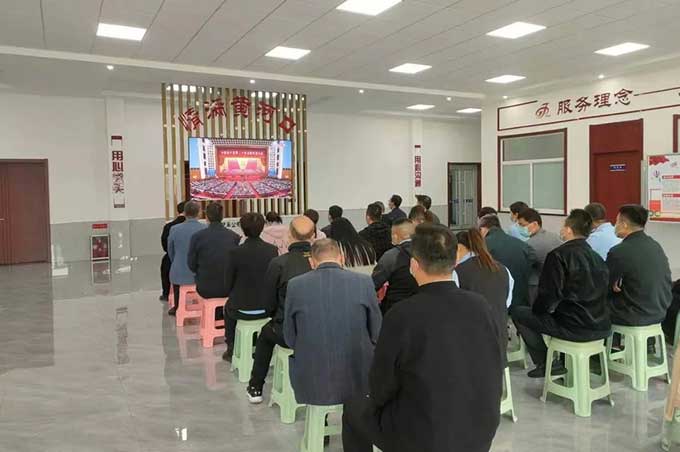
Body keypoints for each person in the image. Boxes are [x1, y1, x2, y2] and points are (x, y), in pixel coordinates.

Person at [342, 224, 503, 452]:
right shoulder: (481, 305)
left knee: (353, 408)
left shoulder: (401, 314)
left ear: (414, 265)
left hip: (422, 437)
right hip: (480, 431)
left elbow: (381, 385)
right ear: (455, 261)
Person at [511, 209, 611, 378]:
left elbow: (548, 295)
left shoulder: (558, 255)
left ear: (569, 230)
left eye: (563, 226)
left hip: (572, 326)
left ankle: (546, 363)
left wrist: (538, 312)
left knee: (519, 312)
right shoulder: (597, 258)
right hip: (601, 325)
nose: (561, 230)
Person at [284, 239, 382, 406]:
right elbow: (376, 331)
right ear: (342, 258)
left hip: (312, 378)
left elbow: (290, 337)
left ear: (311, 262)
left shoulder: (295, 285)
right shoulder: (364, 282)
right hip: (358, 375)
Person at [246, 216, 315, 403]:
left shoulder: (279, 263)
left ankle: (255, 387)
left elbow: (268, 305)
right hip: (321, 331)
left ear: (289, 235)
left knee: (265, 335)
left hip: (289, 333)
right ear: (313, 236)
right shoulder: (321, 262)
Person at [221, 212, 278, 361]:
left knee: (227, 309)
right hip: (267, 309)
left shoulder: (235, 252)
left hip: (241, 308)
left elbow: (228, 284)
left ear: (242, 228)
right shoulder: (272, 250)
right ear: (263, 227)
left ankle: (231, 347)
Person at [607, 204, 672, 327]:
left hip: (632, 315)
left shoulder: (619, 251)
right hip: (659, 312)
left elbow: (604, 285)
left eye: (616, 222)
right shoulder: (655, 246)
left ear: (624, 224)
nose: (615, 226)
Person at [453, 228, 513, 360]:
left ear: (459, 248)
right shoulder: (503, 270)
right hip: (499, 340)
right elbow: (506, 303)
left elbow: (453, 309)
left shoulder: (457, 272)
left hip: (469, 344)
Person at [479, 214, 535, 308]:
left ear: (483, 229)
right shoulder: (522, 244)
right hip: (520, 297)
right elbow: (533, 260)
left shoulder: (483, 245)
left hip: (496, 299)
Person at [187, 202, 240, 302]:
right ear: (222, 216)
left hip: (205, 288)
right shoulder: (234, 236)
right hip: (229, 288)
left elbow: (191, 265)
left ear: (207, 217)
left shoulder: (197, 237)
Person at [167, 200, 206, 316]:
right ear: (199, 213)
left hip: (178, 272)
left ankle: (177, 306)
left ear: (184, 212)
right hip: (200, 273)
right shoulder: (205, 229)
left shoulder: (174, 229)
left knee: (176, 278)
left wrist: (176, 261)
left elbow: (170, 251)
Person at [371, 218, 418, 314]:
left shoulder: (391, 256)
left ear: (395, 236)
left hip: (395, 308)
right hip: (420, 306)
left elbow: (374, 284)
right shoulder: (426, 252)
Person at [517, 208, 562, 303]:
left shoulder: (529, 245)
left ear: (534, 224)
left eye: (522, 225)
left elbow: (523, 268)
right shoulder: (555, 237)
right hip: (557, 284)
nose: (519, 228)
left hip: (536, 284)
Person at [159, 201, 186, 301]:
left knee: (165, 265)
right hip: (191, 259)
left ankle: (166, 293)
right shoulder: (198, 227)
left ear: (178, 211)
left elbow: (165, 246)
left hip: (174, 258)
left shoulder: (169, 226)